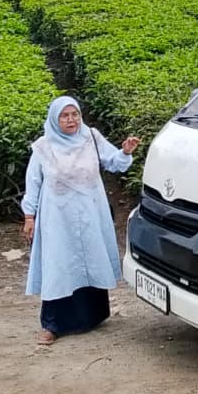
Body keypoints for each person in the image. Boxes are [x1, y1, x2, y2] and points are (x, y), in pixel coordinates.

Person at [21, 97, 141, 346]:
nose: (71, 120)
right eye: (64, 116)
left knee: (90, 260)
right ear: (55, 119)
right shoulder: (43, 147)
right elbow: (33, 183)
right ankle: (52, 325)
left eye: (74, 114)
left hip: (90, 214)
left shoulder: (91, 137)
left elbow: (113, 162)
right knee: (59, 265)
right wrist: (29, 216)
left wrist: (125, 152)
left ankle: (91, 317)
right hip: (57, 218)